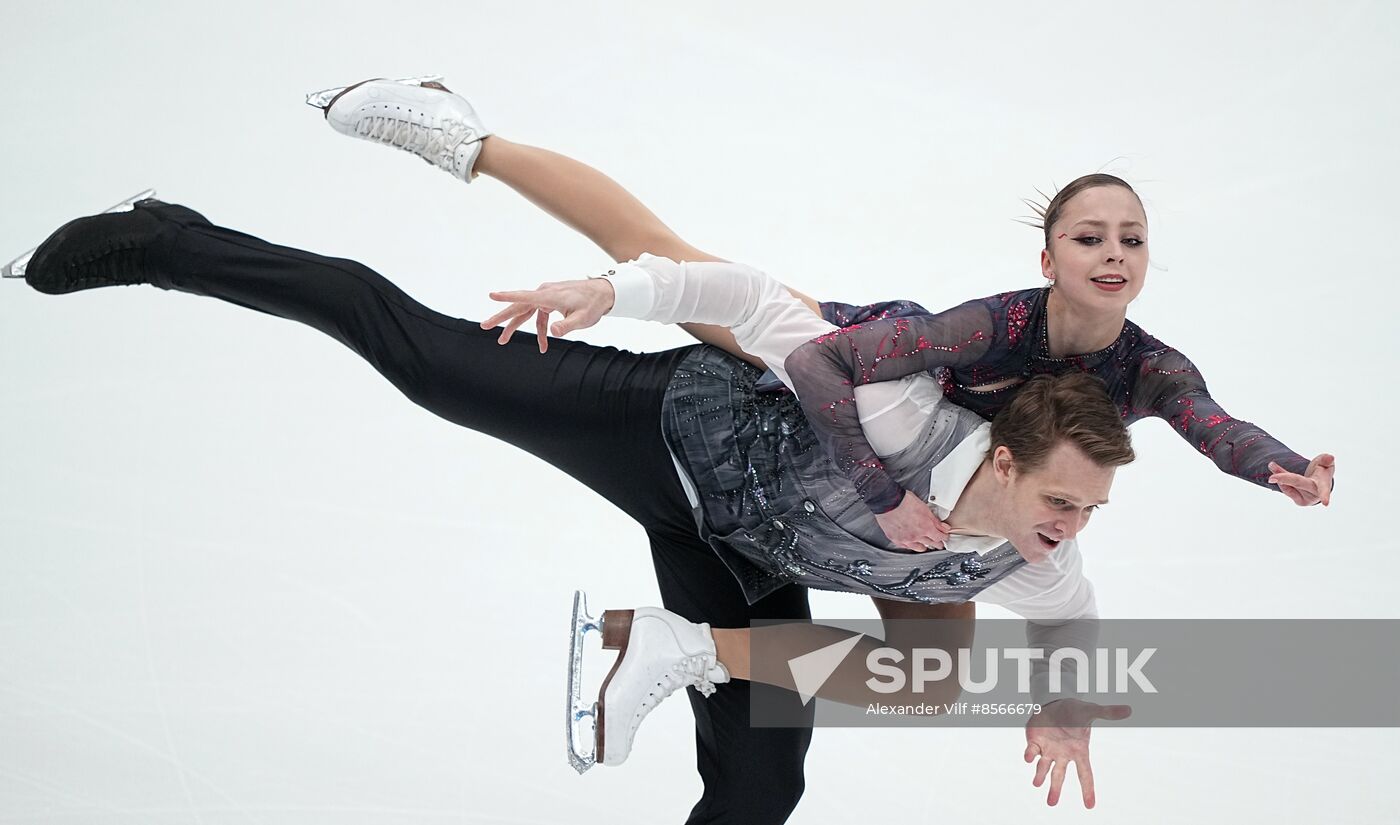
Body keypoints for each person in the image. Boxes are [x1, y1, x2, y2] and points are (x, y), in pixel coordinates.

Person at [19, 196, 1132, 817]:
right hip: (658, 430)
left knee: (760, 783)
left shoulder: (1036, 558)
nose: (1067, 531)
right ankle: (174, 241)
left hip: (741, 558)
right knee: (416, 357)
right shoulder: (896, 404)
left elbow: (1070, 625)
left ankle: (678, 646)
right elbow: (747, 301)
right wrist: (611, 291)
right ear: (1002, 457)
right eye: (1059, 501)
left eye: (1087, 512)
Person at [312, 78, 1335, 555]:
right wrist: (884, 492)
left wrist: (1279, 465)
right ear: (1048, 258)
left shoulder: (1149, 370)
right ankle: (460, 135)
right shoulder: (988, 328)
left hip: (906, 464)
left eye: (1131, 239)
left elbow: (1214, 428)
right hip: (856, 366)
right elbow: (825, 371)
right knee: (651, 248)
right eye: (1088, 238)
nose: (1113, 256)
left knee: (931, 654)